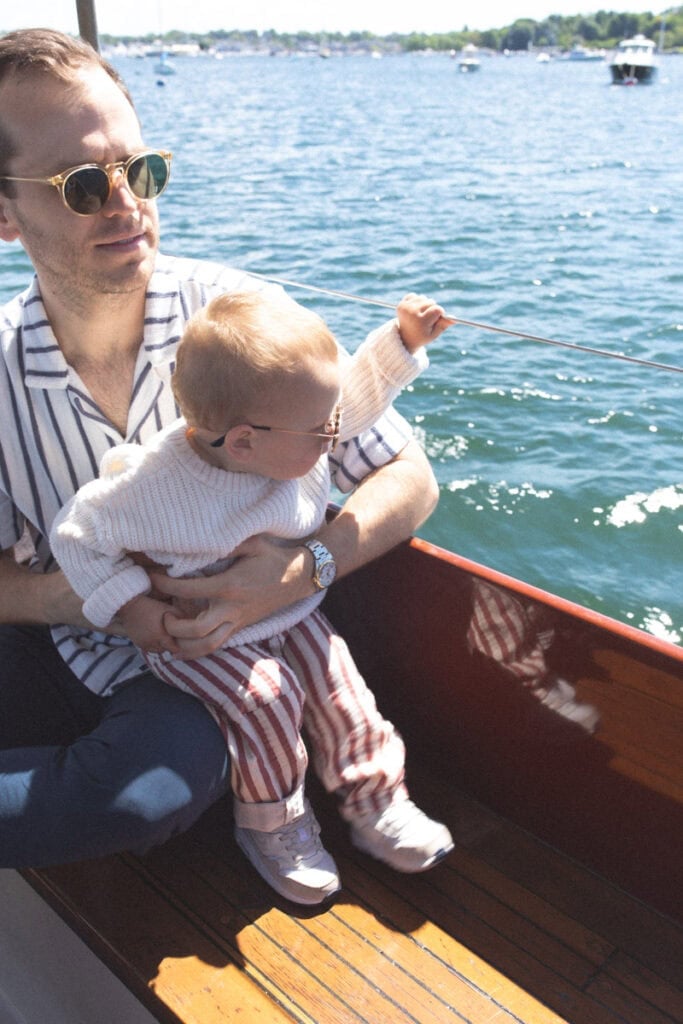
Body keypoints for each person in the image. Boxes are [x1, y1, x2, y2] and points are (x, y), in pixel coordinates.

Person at [0, 28, 441, 869]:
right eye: (83, 184)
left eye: (141, 171)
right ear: (4, 213)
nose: (126, 201)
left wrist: (304, 567)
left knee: (146, 793)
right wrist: (88, 597)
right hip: (69, 645)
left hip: (216, 668)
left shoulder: (241, 320)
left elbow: (407, 475)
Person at [50, 288, 455, 904]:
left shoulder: (293, 434)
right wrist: (134, 609)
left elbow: (355, 399)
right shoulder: (153, 487)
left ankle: (378, 801)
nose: (335, 437)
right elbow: (76, 536)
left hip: (287, 610)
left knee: (340, 687)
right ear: (242, 443)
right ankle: (274, 825)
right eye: (323, 431)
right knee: (268, 697)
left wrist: (401, 343)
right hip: (198, 630)